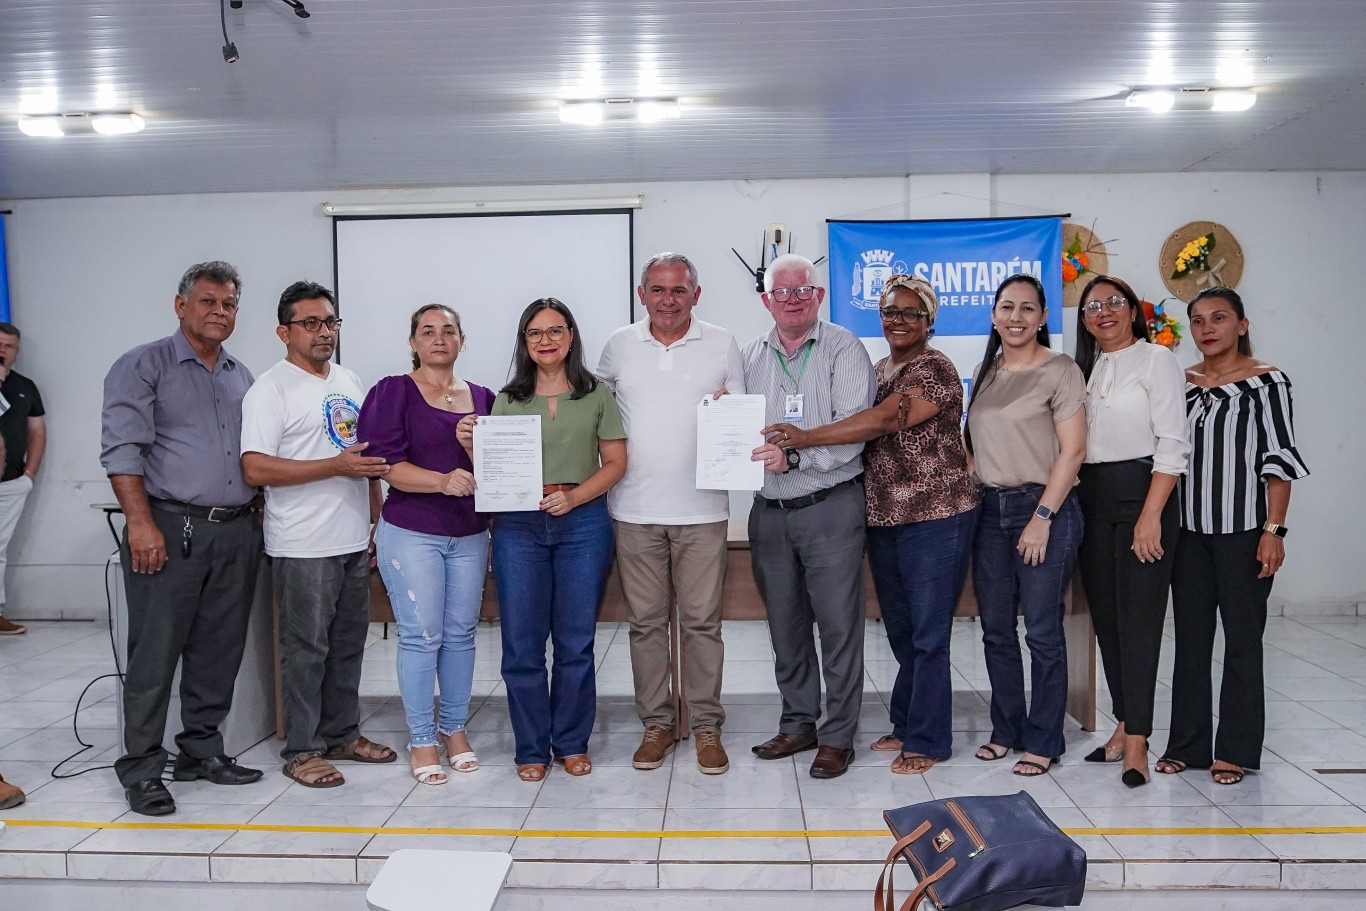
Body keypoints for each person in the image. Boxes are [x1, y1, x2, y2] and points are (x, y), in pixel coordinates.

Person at [763, 273, 977, 776]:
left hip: (935, 516)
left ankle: (929, 739)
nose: (897, 320)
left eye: (909, 313)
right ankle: (906, 722)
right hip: (883, 516)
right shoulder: (881, 367)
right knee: (902, 631)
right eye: (889, 311)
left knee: (928, 634)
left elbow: (882, 422)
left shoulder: (934, 369)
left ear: (929, 320)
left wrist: (803, 438)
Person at [101, 261, 265, 816]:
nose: (220, 312)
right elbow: (123, 450)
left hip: (236, 528)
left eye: (229, 305)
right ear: (181, 305)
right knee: (155, 653)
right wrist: (141, 523)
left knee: (219, 651)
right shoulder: (142, 365)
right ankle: (142, 768)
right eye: (208, 302)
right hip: (169, 528)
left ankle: (200, 751)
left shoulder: (242, 375)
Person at [241, 281, 396, 789]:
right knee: (305, 649)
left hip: (352, 538)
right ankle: (302, 748)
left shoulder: (348, 379)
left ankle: (342, 736)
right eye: (310, 323)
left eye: (330, 322)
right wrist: (332, 466)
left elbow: (364, 459)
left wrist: (375, 517)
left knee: (349, 645)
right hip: (302, 544)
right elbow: (255, 468)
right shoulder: (271, 389)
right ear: (284, 331)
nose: (323, 331)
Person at [597, 253, 745, 776]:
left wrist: (734, 407)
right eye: (657, 290)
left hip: (703, 508)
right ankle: (657, 724)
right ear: (642, 294)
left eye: (678, 290)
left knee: (703, 624)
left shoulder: (724, 343)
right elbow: (597, 413)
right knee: (646, 626)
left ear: (696, 295)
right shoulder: (618, 345)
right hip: (633, 508)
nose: (667, 300)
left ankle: (705, 726)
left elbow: (743, 414)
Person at [467, 298, 626, 782]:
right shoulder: (507, 398)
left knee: (576, 643)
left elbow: (616, 463)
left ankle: (572, 743)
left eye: (555, 330)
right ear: (525, 342)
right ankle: (532, 748)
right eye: (535, 333)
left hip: (583, 524)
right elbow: (494, 469)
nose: (546, 340)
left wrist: (575, 498)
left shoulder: (596, 393)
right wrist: (470, 445)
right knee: (521, 645)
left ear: (571, 336)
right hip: (519, 528)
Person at [1157, 287, 1309, 786]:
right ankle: (1187, 745)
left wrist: (1274, 530)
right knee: (1192, 644)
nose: (1207, 329)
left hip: (1245, 532)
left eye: (1219, 318)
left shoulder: (1267, 383)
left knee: (1243, 642)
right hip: (1190, 533)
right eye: (1198, 321)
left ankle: (1236, 750)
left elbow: (1279, 460)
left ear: (1242, 324)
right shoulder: (1183, 384)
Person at [741, 254, 875, 781]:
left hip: (830, 505)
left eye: (804, 290)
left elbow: (853, 429)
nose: (793, 298)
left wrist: (796, 456)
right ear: (766, 300)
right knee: (785, 624)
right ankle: (799, 722)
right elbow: (738, 422)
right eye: (783, 291)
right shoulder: (750, 355)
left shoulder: (844, 347)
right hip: (769, 510)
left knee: (839, 627)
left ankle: (839, 734)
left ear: (819, 296)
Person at [359, 304, 495, 786]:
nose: (439, 339)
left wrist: (476, 448)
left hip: (471, 534)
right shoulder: (391, 392)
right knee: (421, 636)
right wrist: (441, 481)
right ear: (413, 342)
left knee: (461, 635)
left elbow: (500, 471)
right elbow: (382, 464)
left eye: (449, 331)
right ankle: (421, 738)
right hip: (412, 532)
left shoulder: (484, 398)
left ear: (462, 340)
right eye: (427, 331)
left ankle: (454, 730)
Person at [964, 275, 1086, 777]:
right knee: (995, 630)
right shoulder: (986, 370)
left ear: (1041, 318)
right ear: (993, 314)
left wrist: (1041, 518)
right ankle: (1006, 728)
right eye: (1006, 307)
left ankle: (1044, 738)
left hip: (1043, 508)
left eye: (1027, 309)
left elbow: (1074, 451)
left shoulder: (1061, 371)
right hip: (988, 512)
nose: (1016, 317)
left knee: (1041, 631)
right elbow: (977, 446)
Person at [1072, 274, 1188, 788]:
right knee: (1110, 622)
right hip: (1091, 498)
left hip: (1144, 493)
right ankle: (1122, 721)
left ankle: (1139, 738)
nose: (1104, 312)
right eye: (1093, 305)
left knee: (1140, 621)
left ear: (1133, 310)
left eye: (1114, 302)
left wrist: (1150, 515)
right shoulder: (1086, 370)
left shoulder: (1156, 358)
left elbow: (1172, 443)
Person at [0, 322, 45, 635]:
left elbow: (38, 431)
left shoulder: (25, 386)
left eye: (8, 346)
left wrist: (29, 475)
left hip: (12, 483)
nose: (2, 351)